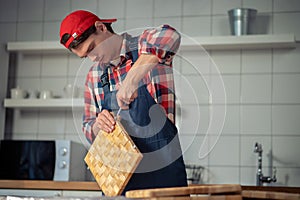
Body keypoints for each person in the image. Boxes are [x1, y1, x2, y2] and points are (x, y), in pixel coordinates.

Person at [59, 10, 187, 193]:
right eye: (85, 56)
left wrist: (132, 80)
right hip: (119, 183)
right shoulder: (94, 76)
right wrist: (98, 125)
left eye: (91, 48)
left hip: (163, 176)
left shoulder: (144, 44)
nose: (92, 58)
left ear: (101, 27)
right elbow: (88, 129)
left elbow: (170, 35)